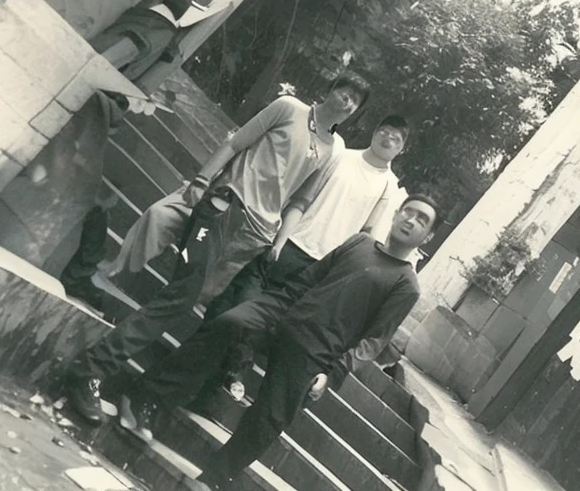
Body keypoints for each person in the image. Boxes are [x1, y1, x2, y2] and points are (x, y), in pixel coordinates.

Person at [63, 74, 370, 429]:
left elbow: (300, 199)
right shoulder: (289, 108)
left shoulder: (333, 149)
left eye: (355, 101)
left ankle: (117, 381)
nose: (346, 101)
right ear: (330, 90)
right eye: (344, 92)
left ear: (355, 112)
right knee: (179, 299)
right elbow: (236, 142)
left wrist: (279, 241)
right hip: (225, 208)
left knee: (186, 303)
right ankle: (90, 369)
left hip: (256, 235)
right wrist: (201, 180)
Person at [126, 194, 439, 491]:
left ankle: (215, 477)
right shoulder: (360, 242)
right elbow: (309, 279)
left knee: (270, 416)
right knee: (228, 323)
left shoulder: (406, 284)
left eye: (422, 220)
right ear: (397, 213)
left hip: (316, 352)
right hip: (284, 316)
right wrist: (266, 308)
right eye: (408, 211)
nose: (411, 220)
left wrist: (333, 373)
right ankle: (147, 396)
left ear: (426, 237)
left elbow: (373, 341)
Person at [205, 114, 410, 319]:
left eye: (396, 138)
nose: (388, 138)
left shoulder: (389, 186)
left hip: (321, 265)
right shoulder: (341, 156)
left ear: (401, 149)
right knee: (233, 299)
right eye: (385, 131)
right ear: (374, 133)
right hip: (291, 242)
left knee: (267, 318)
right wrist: (279, 242)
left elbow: (366, 234)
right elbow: (303, 199)